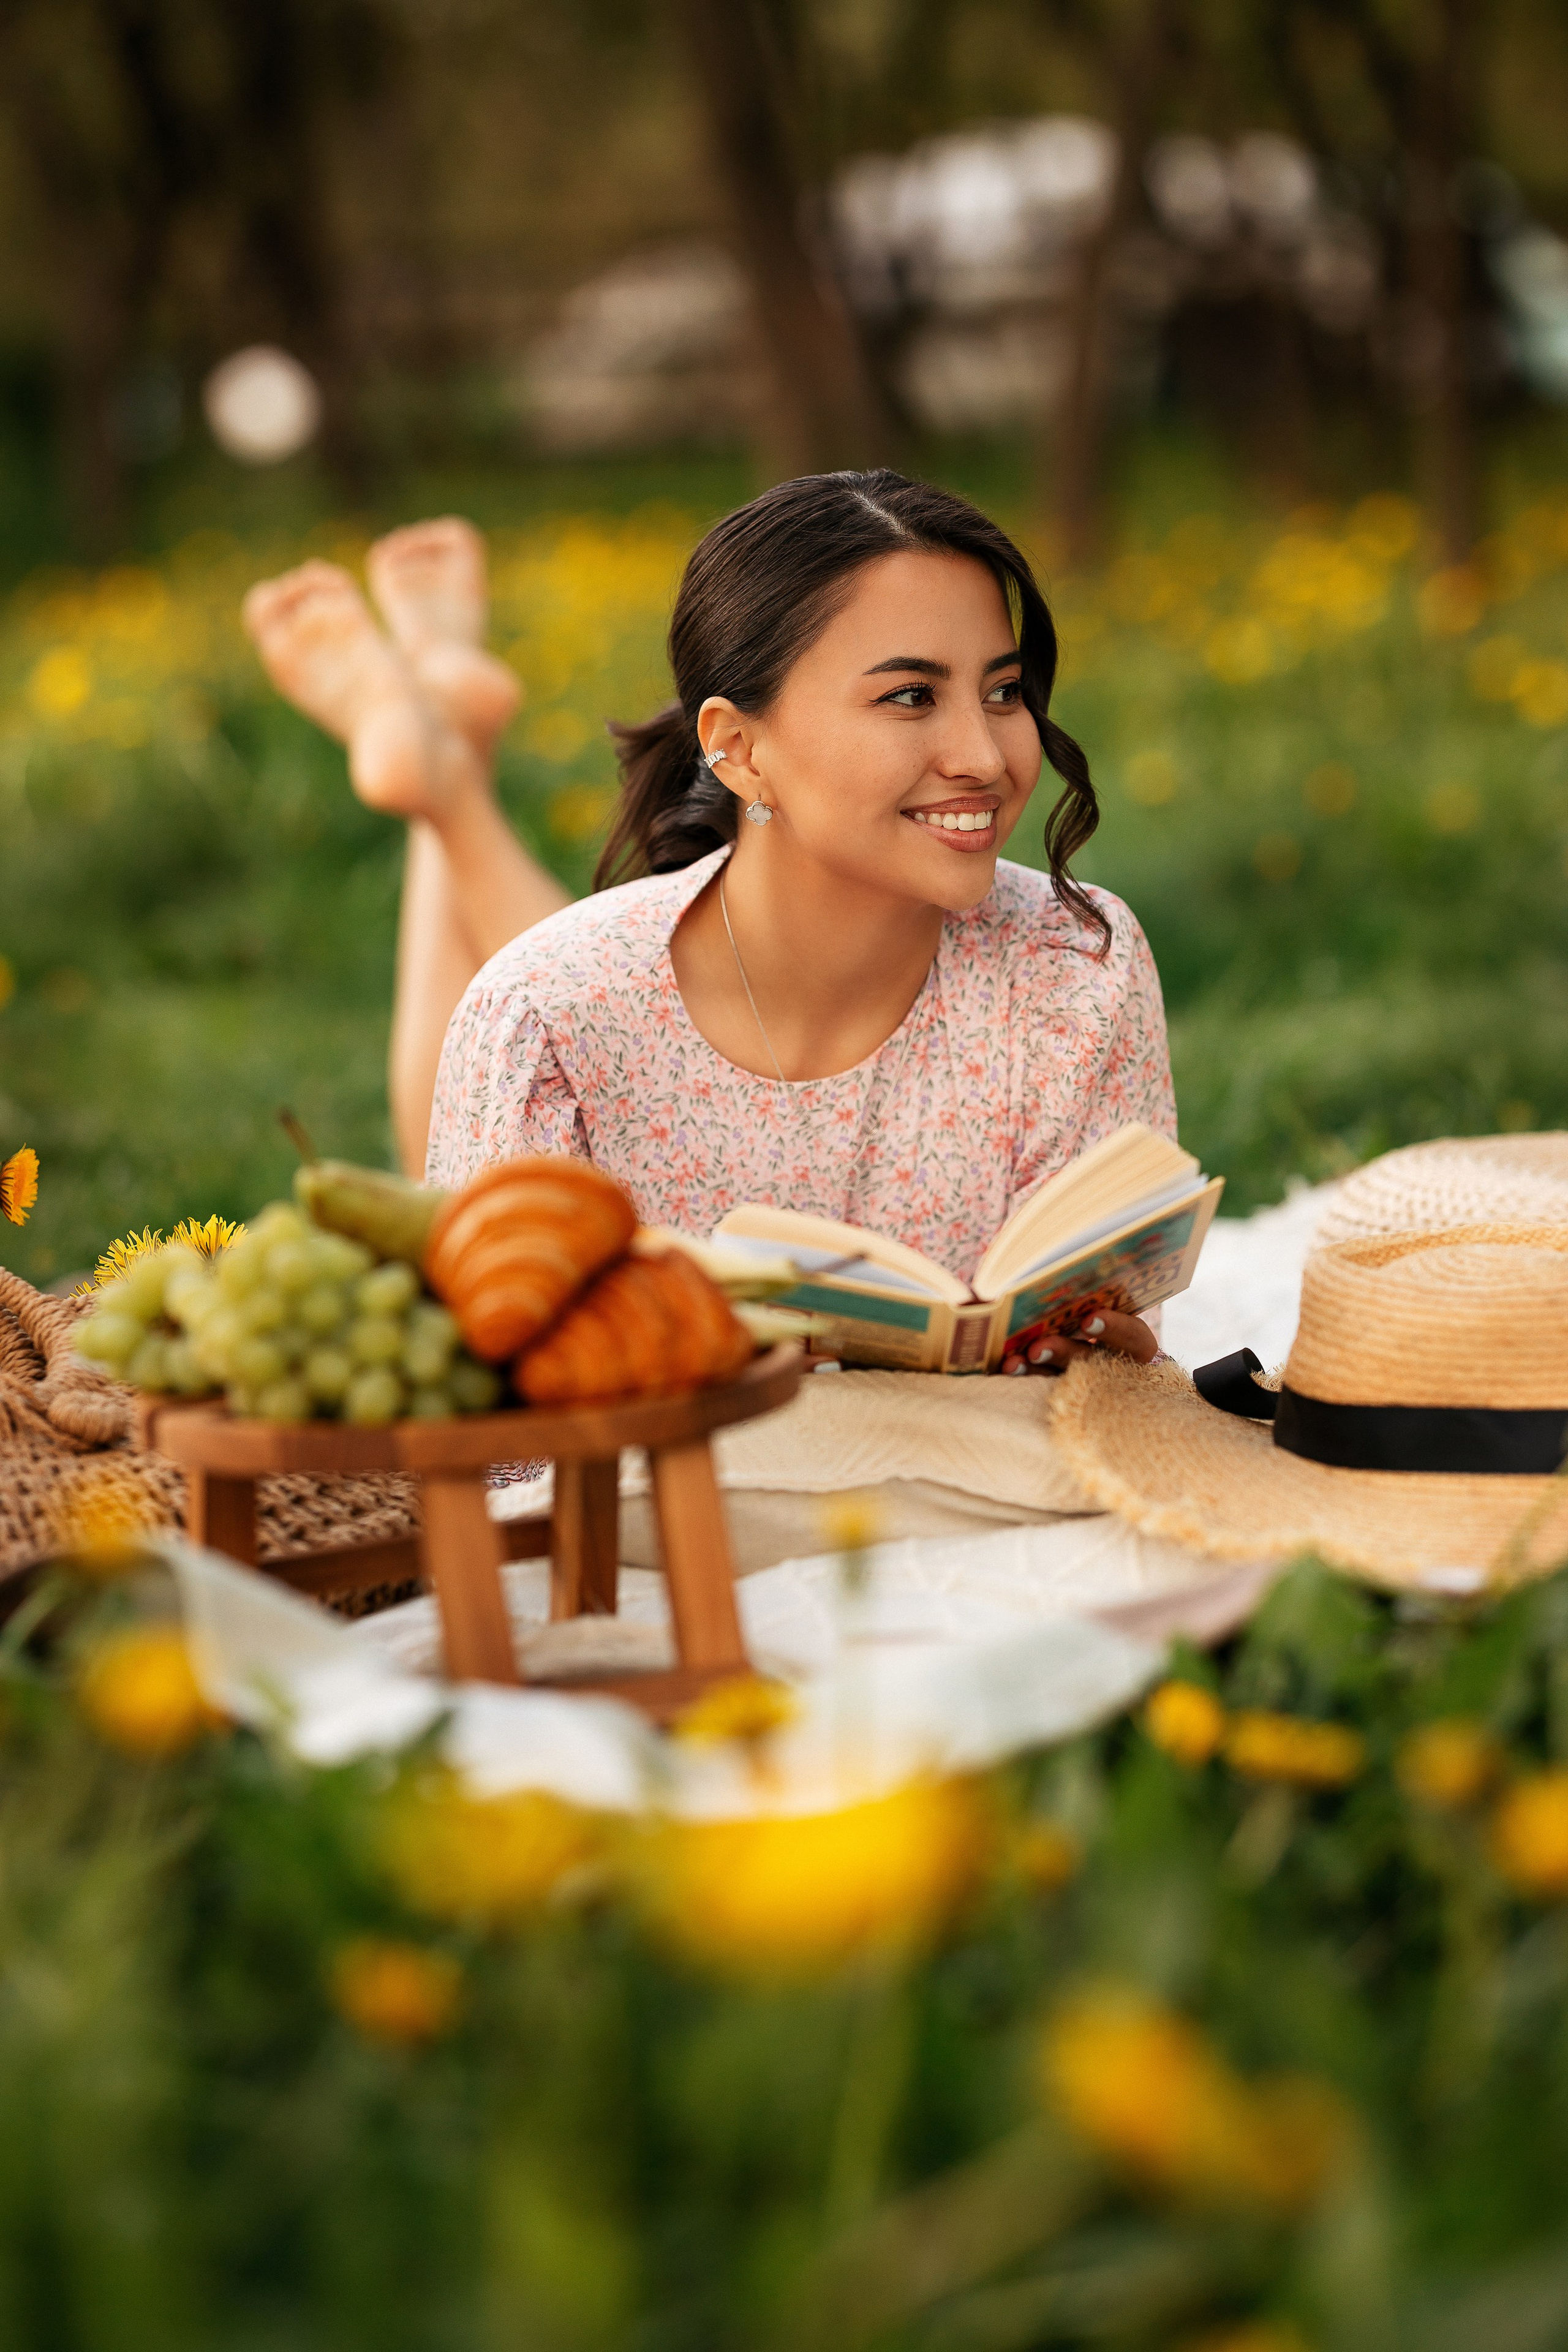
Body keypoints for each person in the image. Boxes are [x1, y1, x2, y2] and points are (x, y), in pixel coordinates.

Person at [244, 472, 1171, 1376]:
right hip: (676, 1493)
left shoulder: (1074, 966)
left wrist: (1099, 1360)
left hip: (960, 1494)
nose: (986, 755)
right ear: (737, 748)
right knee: (506, 1125)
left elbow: (1104, 1335)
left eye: (1003, 692)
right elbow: (497, 1419)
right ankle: (444, 784)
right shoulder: (550, 1012)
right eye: (910, 696)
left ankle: (445, 782)